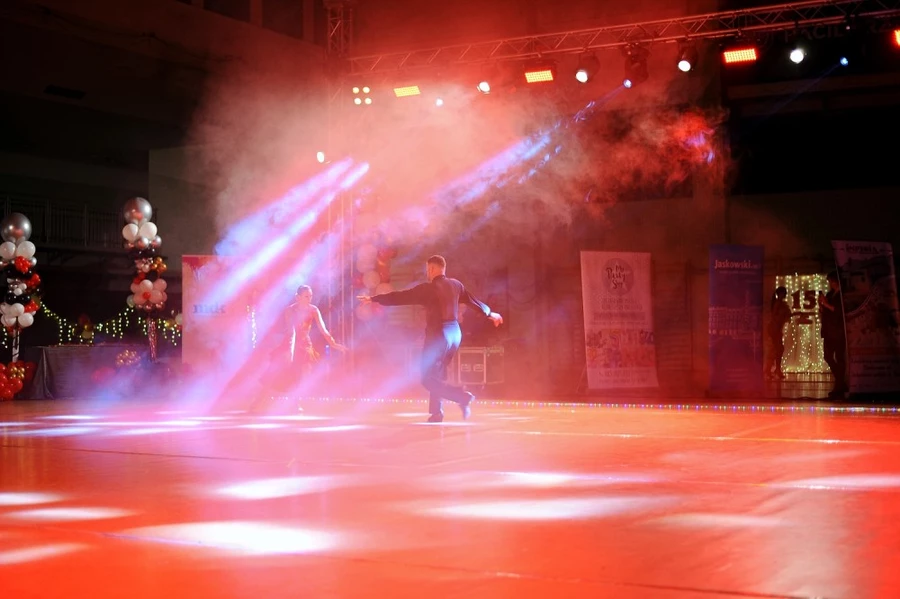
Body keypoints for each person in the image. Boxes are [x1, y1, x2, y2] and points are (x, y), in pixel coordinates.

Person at [358, 255, 503, 423]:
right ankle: (436, 413)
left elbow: (400, 297)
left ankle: (462, 397)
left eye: (427, 269)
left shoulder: (428, 289)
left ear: (432, 269)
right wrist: (490, 313)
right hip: (455, 334)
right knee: (437, 375)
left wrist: (374, 299)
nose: (427, 272)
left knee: (427, 379)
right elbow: (473, 301)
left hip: (439, 335)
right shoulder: (456, 285)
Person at [287, 285, 346, 378]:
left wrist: (333, 343)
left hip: (305, 344)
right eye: (306, 296)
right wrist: (290, 349)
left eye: (311, 296)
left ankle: (306, 386)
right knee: (289, 371)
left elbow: (323, 329)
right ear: (298, 297)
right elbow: (290, 331)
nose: (309, 299)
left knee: (307, 368)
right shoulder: (290, 310)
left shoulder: (313, 310)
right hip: (291, 343)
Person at [818, 271, 847, 398]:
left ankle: (839, 384)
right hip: (829, 329)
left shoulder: (842, 295)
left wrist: (826, 304)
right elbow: (827, 310)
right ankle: (840, 381)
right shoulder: (830, 294)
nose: (829, 283)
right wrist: (822, 306)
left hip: (838, 330)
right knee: (828, 356)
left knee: (839, 357)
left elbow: (839, 311)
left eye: (830, 281)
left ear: (835, 281)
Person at [765, 286, 795, 379]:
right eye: (784, 293)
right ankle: (774, 370)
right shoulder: (778, 303)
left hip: (776, 329)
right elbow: (775, 316)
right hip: (774, 329)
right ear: (780, 294)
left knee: (777, 350)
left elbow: (785, 316)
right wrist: (777, 328)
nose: (786, 294)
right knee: (777, 350)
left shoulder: (781, 304)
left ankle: (771, 370)